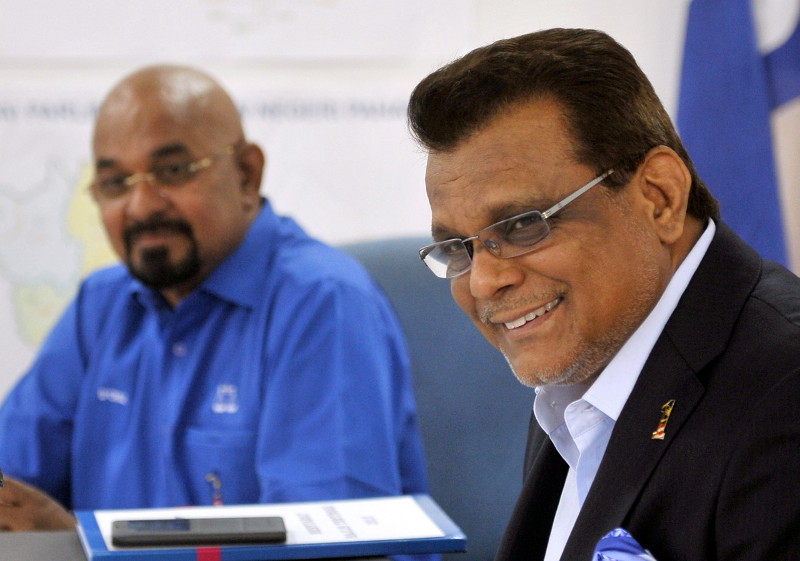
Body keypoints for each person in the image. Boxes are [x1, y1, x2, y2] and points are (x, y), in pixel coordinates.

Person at [408, 28, 800, 561]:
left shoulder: (784, 400)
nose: (483, 282)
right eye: (459, 248)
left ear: (659, 197)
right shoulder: (582, 367)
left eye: (524, 225)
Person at [0, 64, 429, 530]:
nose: (141, 206)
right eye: (115, 183)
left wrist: (80, 548)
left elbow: (325, 545)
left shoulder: (323, 303)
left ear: (247, 174)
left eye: (173, 171)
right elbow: (14, 486)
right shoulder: (100, 306)